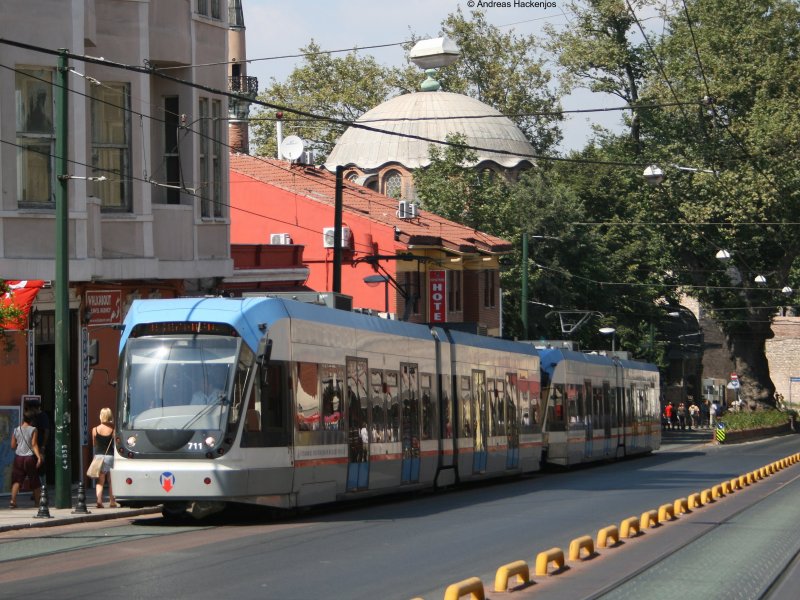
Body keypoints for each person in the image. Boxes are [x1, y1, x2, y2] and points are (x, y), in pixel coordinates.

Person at [9, 411, 43, 508]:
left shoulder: (16, 430)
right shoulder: (33, 429)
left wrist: (20, 446)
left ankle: (13, 501)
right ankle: (37, 503)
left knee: (17, 480)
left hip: (18, 458)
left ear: (23, 419)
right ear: (32, 420)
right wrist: (39, 457)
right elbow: (34, 444)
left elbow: (12, 445)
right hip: (29, 458)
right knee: (35, 480)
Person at [91, 407, 117, 508]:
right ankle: (112, 501)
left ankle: (99, 500)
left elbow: (94, 444)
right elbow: (116, 444)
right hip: (110, 456)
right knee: (111, 480)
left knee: (100, 481)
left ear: (101, 416)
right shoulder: (113, 430)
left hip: (98, 456)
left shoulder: (94, 429)